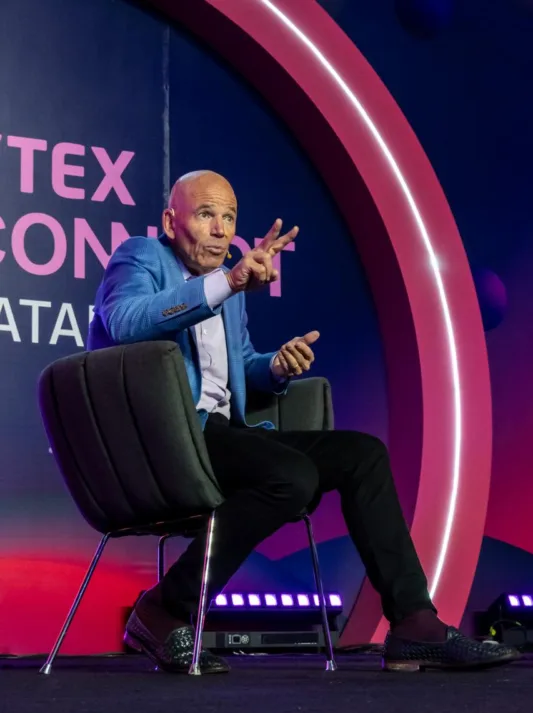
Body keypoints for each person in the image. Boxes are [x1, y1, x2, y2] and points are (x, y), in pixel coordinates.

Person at [88, 170, 518, 675]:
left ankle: (413, 624)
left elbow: (240, 363)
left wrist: (274, 366)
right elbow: (126, 321)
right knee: (291, 476)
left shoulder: (228, 286)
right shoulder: (142, 256)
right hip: (170, 437)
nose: (221, 230)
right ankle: (165, 609)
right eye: (206, 215)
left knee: (362, 455)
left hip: (225, 434)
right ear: (170, 221)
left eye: (229, 218)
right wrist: (226, 282)